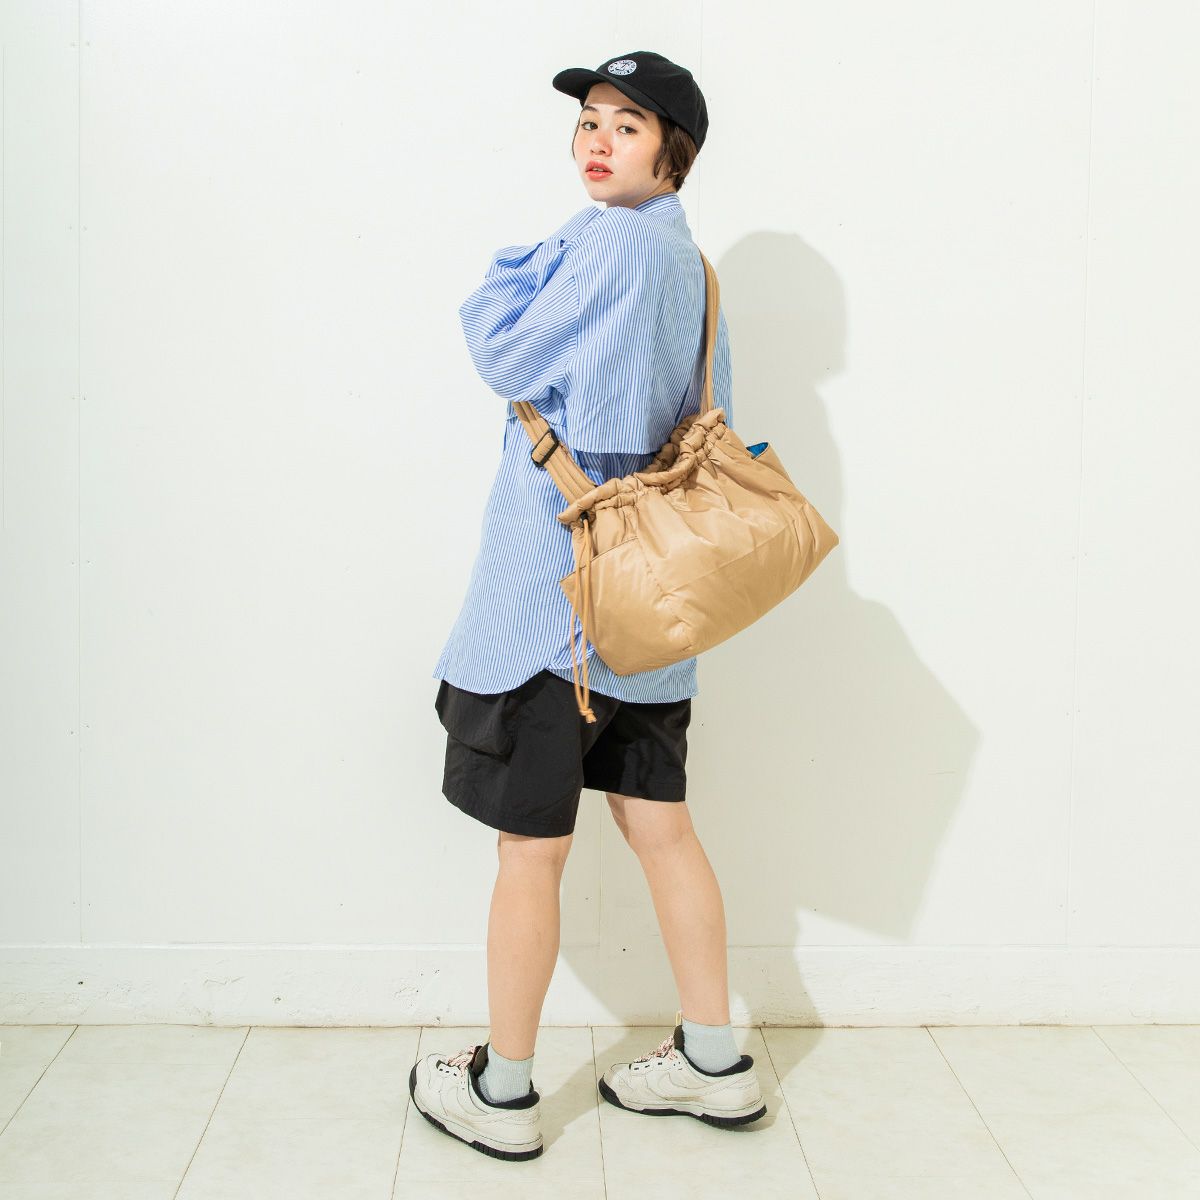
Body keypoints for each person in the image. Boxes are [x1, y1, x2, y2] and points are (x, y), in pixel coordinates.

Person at [410, 51, 767, 1161]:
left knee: (531, 852)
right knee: (663, 829)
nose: (598, 140)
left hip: (553, 607)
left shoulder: (607, 243)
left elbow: (498, 347)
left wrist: (514, 273)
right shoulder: (690, 264)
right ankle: (715, 1062)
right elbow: (700, 415)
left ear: (675, 151)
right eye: (589, 122)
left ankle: (504, 1091)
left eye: (627, 124)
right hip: (653, 605)